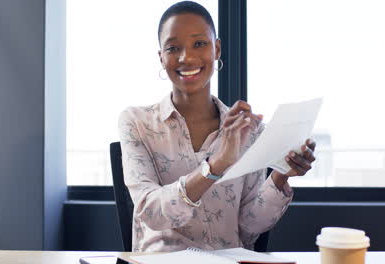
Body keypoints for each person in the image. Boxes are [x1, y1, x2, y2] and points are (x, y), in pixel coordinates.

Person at [118, 1, 316, 252]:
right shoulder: (137, 122)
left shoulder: (248, 131)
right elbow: (151, 213)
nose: (186, 57)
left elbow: (248, 227)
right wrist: (215, 166)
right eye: (173, 48)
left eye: (199, 44)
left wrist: (280, 176)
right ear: (161, 57)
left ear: (217, 49)